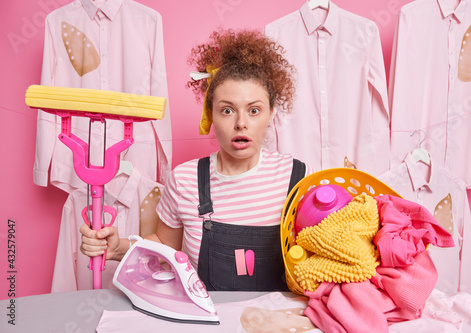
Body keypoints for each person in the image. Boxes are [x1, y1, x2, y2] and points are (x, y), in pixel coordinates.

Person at [80, 29, 311, 291]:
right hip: (208, 319)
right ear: (210, 115)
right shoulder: (185, 179)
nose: (241, 123)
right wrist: (118, 247)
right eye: (227, 110)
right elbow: (165, 245)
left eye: (254, 110)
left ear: (272, 114)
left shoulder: (297, 178)